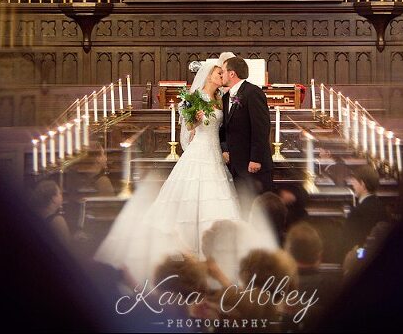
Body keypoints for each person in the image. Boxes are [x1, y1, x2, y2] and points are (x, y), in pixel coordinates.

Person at [95, 62, 275, 285]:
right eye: (218, 73)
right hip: (199, 149)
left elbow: (228, 129)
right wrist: (196, 119)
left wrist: (227, 149)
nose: (221, 76)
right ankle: (186, 253)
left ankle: (217, 254)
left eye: (223, 73)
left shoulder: (224, 98)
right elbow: (189, 126)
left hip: (217, 154)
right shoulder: (195, 97)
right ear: (209, 76)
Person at [220, 57, 275, 207]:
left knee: (260, 209)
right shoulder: (226, 97)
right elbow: (225, 128)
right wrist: (225, 149)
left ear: (232, 74)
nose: (221, 75)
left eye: (223, 72)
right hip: (236, 164)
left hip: (254, 164)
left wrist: (256, 158)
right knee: (243, 206)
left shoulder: (253, 92)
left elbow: (261, 127)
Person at [345, 165, 388, 250]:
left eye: (354, 181)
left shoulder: (358, 212)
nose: (352, 184)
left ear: (363, 184)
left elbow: (348, 242)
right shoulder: (382, 207)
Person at [30, 180, 71, 247]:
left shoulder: (35, 215)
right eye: (60, 193)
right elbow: (67, 248)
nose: (61, 196)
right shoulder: (57, 221)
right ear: (53, 198)